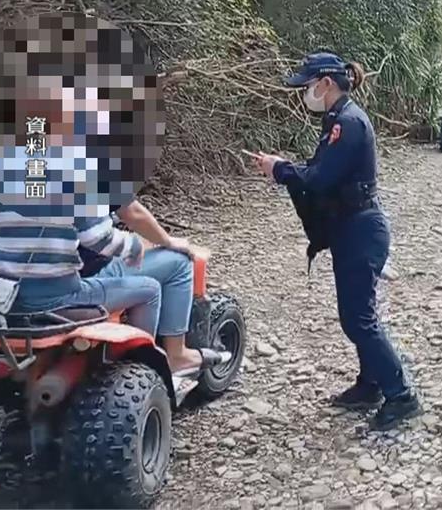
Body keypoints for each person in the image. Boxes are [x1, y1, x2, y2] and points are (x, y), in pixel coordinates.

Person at [250, 51, 421, 431]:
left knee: (358, 319)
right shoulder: (337, 120)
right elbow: (318, 173)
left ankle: (401, 394)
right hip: (351, 227)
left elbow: (320, 178)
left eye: (308, 85)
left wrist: (280, 169)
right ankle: (371, 383)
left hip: (361, 229)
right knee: (358, 315)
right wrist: (283, 168)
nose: (305, 93)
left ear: (326, 84)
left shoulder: (348, 123)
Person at [0, 174, 161, 335]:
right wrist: (134, 246)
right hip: (54, 299)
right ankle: (148, 368)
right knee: (150, 290)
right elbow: (97, 238)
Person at [77, 199, 230, 376]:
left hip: (46, 279)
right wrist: (167, 241)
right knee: (179, 263)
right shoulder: (81, 173)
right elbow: (132, 213)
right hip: (84, 279)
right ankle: (175, 356)